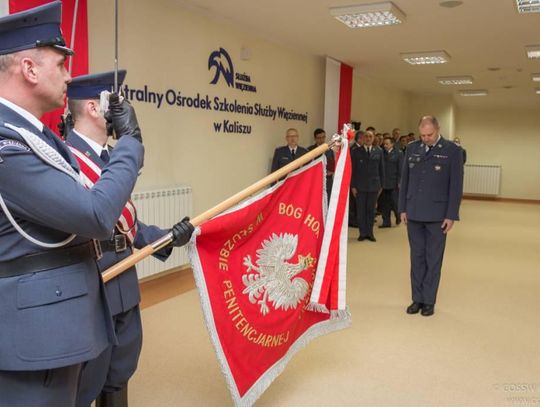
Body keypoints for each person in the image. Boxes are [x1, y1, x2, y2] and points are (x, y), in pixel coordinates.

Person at [0, 4, 193, 406]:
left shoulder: (38, 138)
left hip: (64, 315)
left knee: (110, 378)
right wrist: (132, 143)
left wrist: (158, 239)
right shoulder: (8, 143)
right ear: (30, 69)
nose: (69, 75)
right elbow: (94, 214)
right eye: (61, 64)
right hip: (37, 330)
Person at [64, 70, 192, 407]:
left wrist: (165, 238)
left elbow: (124, 223)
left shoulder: (108, 157)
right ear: (94, 107)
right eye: (114, 101)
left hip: (124, 277)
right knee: (86, 377)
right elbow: (93, 217)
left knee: (121, 367)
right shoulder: (64, 159)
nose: (122, 109)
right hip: (93, 280)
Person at [399, 116, 463, 317]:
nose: (426, 138)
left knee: (433, 259)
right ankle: (416, 299)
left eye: (430, 135)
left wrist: (451, 214)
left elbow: (456, 186)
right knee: (416, 257)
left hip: (437, 215)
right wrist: (402, 209)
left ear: (438, 130)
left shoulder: (452, 150)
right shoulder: (412, 148)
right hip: (414, 213)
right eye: (422, 135)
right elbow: (405, 181)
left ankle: (429, 301)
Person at [351, 130, 384, 242]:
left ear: (373, 138)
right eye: (366, 136)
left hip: (374, 186)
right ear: (363, 138)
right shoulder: (356, 151)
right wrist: (353, 186)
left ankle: (370, 233)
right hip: (360, 187)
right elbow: (353, 170)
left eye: (370, 136)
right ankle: (362, 233)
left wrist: (381, 185)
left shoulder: (379, 151)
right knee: (361, 211)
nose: (368, 138)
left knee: (371, 211)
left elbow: (381, 170)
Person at [379, 136, 403, 228]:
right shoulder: (381, 153)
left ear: (392, 144)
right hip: (383, 182)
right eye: (384, 144)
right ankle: (386, 222)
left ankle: (398, 216)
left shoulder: (398, 153)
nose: (385, 145)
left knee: (395, 202)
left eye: (387, 144)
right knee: (385, 203)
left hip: (394, 182)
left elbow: (401, 168)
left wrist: (400, 181)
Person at [307, 128, 335, 200]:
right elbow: (308, 166)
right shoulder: (309, 150)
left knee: (327, 202)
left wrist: (332, 171)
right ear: (315, 139)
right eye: (319, 138)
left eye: (323, 137)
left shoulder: (330, 149)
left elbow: (332, 163)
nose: (322, 140)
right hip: (315, 181)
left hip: (327, 181)